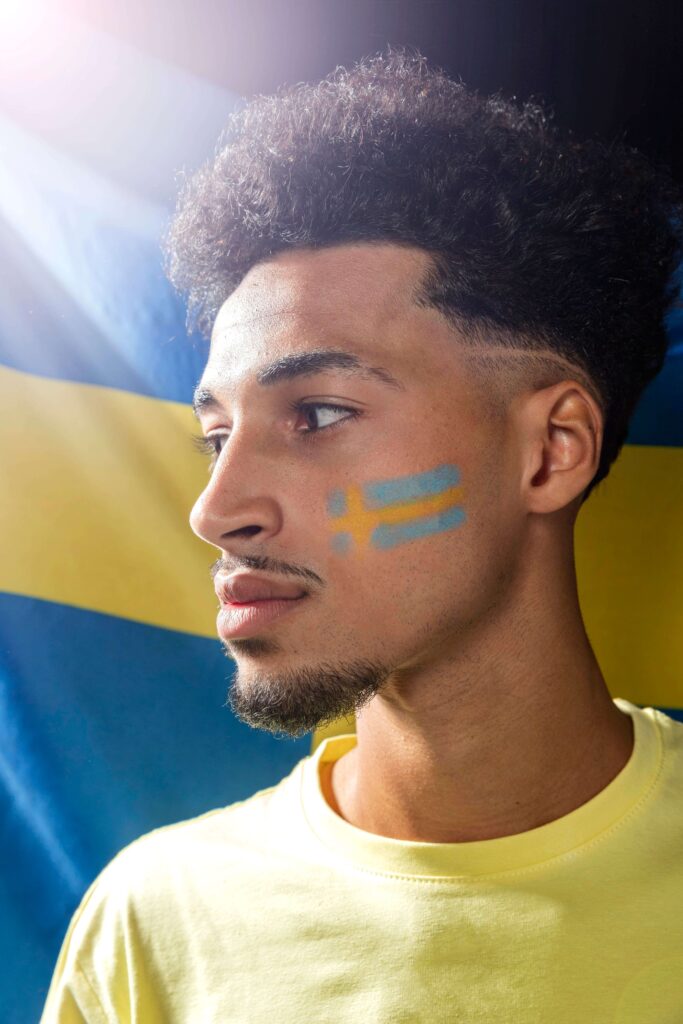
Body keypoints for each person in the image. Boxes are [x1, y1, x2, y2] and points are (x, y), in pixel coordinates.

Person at [41, 48, 683, 1023]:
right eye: (216, 436)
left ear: (550, 452)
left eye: (319, 415)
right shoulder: (156, 925)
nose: (216, 511)